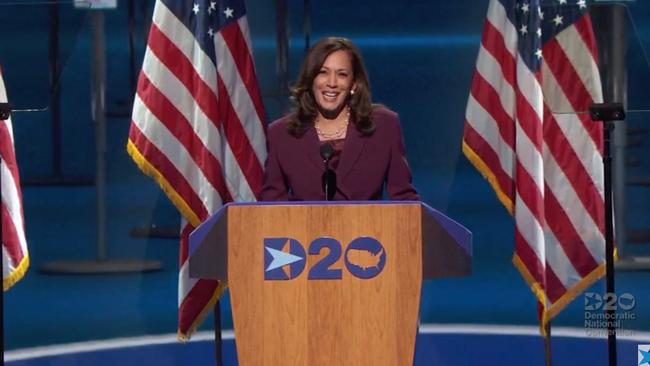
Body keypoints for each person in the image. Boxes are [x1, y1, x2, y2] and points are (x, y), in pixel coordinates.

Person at [260, 37, 419, 201]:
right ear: (311, 79)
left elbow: (404, 199)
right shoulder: (282, 134)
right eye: (323, 72)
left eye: (342, 74)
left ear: (354, 84)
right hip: (305, 227)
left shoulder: (384, 126)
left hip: (367, 226)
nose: (332, 83)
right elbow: (270, 205)